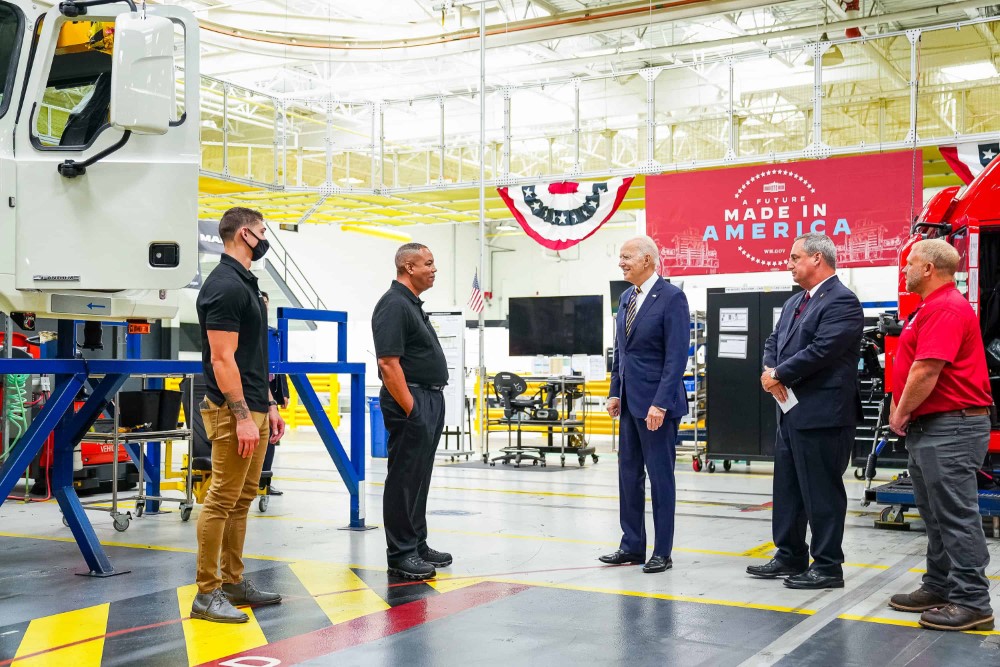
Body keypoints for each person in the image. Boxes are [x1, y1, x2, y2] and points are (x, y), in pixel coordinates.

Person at [887, 239, 994, 632]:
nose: (905, 270)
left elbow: (925, 371)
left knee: (956, 515)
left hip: (952, 426)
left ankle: (972, 602)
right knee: (935, 515)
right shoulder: (928, 308)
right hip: (933, 426)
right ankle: (940, 584)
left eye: (910, 263)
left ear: (929, 268)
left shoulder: (946, 307)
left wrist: (899, 413)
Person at [751, 233, 863, 589]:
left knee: (822, 492)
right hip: (791, 412)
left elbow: (823, 349)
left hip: (824, 414)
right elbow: (773, 341)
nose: (789, 262)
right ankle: (790, 554)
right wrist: (770, 372)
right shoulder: (794, 302)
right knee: (787, 488)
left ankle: (828, 567)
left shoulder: (843, 301)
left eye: (794, 257)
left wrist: (779, 374)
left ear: (817, 258)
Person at [192, 207, 286, 623]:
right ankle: (206, 593)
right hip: (234, 413)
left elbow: (251, 356)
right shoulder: (226, 286)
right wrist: (243, 416)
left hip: (253, 407)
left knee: (243, 498)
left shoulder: (247, 283)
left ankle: (233, 579)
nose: (266, 239)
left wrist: (267, 404)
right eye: (262, 232)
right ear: (245, 234)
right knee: (220, 500)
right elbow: (221, 358)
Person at [600, 236, 690, 574]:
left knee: (660, 478)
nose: (621, 263)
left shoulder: (672, 298)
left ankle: (662, 551)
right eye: (620, 257)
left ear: (648, 260)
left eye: (626, 257)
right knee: (628, 476)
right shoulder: (626, 298)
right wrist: (613, 392)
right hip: (628, 405)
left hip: (656, 408)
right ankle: (632, 545)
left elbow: (676, 357)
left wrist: (661, 403)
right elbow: (621, 353)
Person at [372, 243, 451, 581]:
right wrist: (412, 409)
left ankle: (417, 542)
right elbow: (388, 364)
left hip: (427, 397)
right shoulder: (393, 305)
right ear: (407, 266)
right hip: (410, 399)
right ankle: (401, 553)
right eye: (428, 264)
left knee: (420, 476)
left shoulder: (411, 304)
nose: (434, 270)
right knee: (405, 477)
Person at [259, 291, 289, 496]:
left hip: (269, 394)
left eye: (267, 303)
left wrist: (283, 392)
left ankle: (265, 482)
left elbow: (280, 365)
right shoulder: (247, 332)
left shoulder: (272, 334)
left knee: (270, 438)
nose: (265, 306)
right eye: (262, 303)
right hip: (253, 392)